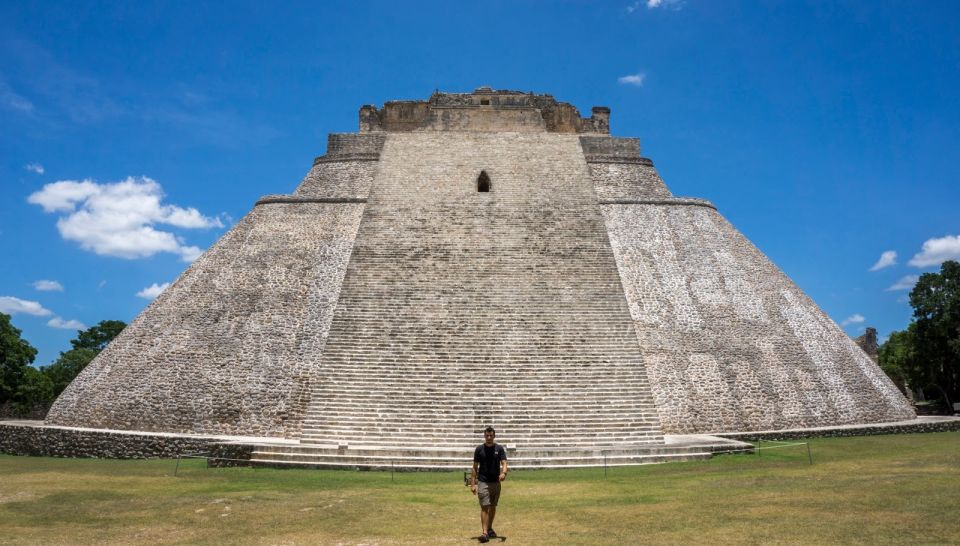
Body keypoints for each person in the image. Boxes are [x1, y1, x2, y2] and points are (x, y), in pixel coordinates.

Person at [470, 426, 508, 543]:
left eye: (491, 435)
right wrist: (473, 484)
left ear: (494, 436)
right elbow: (475, 468)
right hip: (483, 482)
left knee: (492, 506)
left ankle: (490, 528)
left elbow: (504, 463)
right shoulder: (479, 449)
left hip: (495, 483)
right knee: (485, 506)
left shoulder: (499, 448)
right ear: (484, 436)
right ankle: (485, 533)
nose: (489, 437)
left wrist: (504, 473)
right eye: (487, 435)